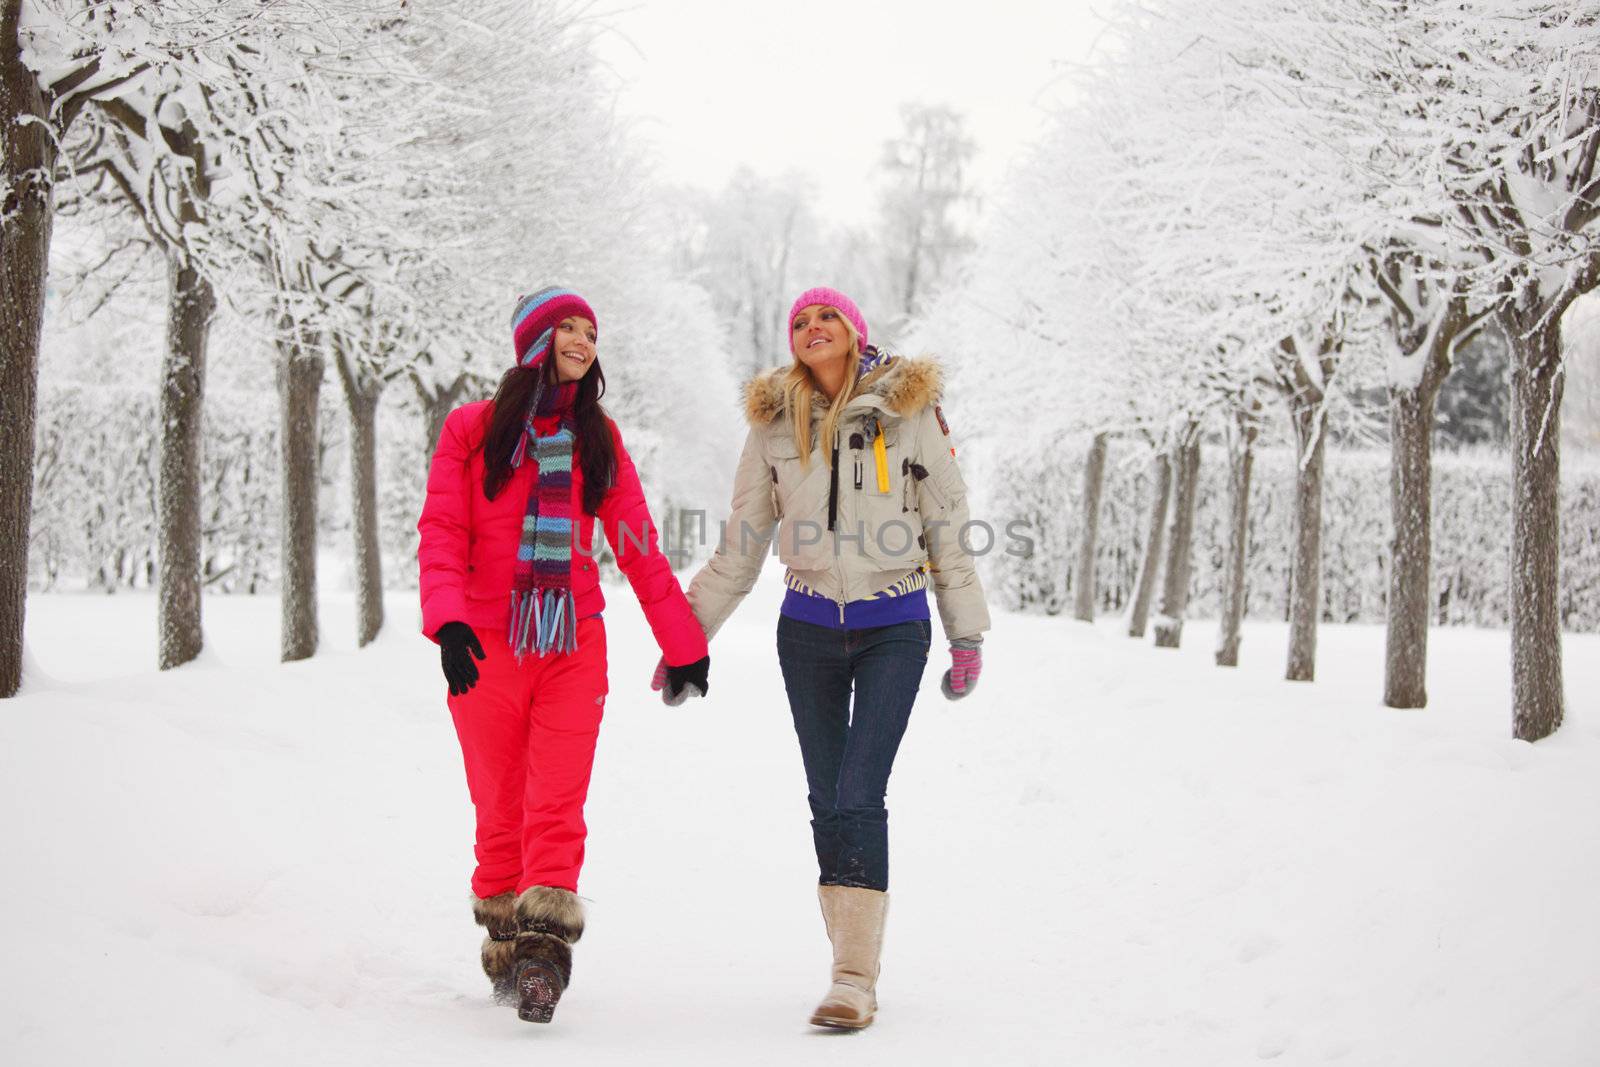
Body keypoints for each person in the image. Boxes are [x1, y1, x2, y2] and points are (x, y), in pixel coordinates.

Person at [683, 286, 990, 1030]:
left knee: (858, 793)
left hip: (896, 625)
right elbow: (742, 539)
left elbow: (947, 525)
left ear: (855, 331)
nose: (812, 326)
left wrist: (966, 632)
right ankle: (852, 958)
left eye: (827, 316)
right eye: (799, 320)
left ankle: (853, 978)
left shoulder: (907, 411)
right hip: (808, 628)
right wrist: (686, 634)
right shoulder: (772, 426)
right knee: (826, 798)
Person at [417, 286, 710, 1024]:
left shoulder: (596, 439)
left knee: (557, 799)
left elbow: (638, 544)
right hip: (484, 648)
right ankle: (506, 941)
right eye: (567, 328)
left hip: (572, 643)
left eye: (590, 330)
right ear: (533, 341)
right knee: (498, 802)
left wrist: (684, 644)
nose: (583, 340)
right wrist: (449, 623)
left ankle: (545, 955)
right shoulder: (470, 431)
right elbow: (444, 529)